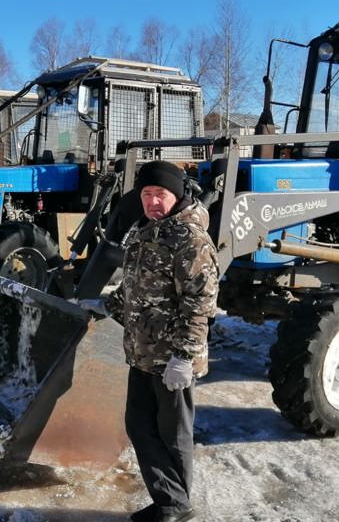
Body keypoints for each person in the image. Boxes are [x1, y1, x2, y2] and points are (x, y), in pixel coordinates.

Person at [105, 160, 219, 522]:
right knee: (139, 424)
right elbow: (136, 285)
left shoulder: (189, 239)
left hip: (171, 357)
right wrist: (106, 305)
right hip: (143, 351)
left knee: (173, 434)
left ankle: (173, 506)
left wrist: (184, 357)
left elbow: (201, 304)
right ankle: (173, 502)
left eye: (161, 194)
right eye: (147, 194)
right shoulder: (148, 230)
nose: (153, 201)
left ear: (178, 194)